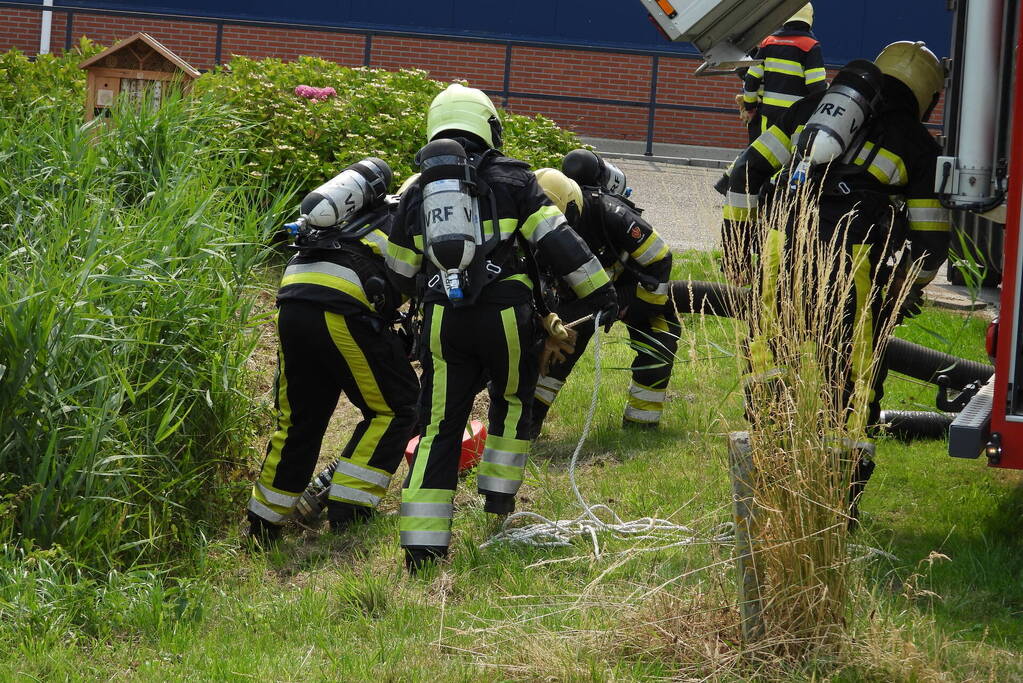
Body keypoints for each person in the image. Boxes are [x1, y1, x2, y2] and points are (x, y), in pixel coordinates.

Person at [385, 84, 618, 572]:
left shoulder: (417, 191)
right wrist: (601, 294)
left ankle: (422, 549)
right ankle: (497, 501)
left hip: (444, 319)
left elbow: (400, 273)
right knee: (512, 400)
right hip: (508, 315)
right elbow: (558, 240)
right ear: (488, 126)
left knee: (437, 427)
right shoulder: (515, 177)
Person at [722, 41, 950, 522]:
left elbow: (746, 174)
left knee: (767, 370)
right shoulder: (916, 142)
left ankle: (765, 495)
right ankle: (835, 512)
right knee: (852, 389)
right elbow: (930, 244)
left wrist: (741, 252)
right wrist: (905, 290)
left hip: (779, 253)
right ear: (927, 96)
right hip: (856, 270)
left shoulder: (808, 112)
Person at [246, 158, 420, 544]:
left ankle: (263, 525)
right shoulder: (406, 220)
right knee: (396, 407)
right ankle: (349, 509)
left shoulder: (352, 216)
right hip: (341, 304)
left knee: (299, 421)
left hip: (293, 298)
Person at [530, 154, 678, 434]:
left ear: (574, 207)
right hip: (585, 296)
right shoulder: (538, 225)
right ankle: (528, 422)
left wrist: (642, 304)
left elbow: (660, 258)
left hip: (635, 287)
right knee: (559, 346)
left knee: (658, 344)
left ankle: (640, 428)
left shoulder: (612, 213)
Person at [740, 3, 826, 144]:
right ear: (810, 18)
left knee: (764, 154)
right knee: (789, 158)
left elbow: (751, 78)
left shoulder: (768, 42)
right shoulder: (811, 46)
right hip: (796, 115)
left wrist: (750, 107)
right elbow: (816, 86)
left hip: (769, 112)